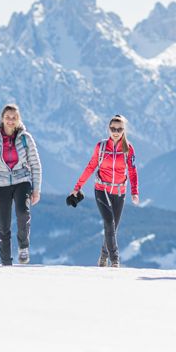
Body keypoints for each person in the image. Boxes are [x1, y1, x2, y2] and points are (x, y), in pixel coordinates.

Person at [69, 114, 139, 267]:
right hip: (102, 189)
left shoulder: (128, 148)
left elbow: (132, 171)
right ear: (108, 129)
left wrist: (134, 192)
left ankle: (103, 255)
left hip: (120, 191)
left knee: (112, 227)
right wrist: (77, 186)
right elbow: (91, 166)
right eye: (113, 128)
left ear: (123, 130)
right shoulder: (101, 147)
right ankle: (115, 260)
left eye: (119, 129)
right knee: (109, 222)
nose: (115, 132)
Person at [0, 103, 42, 266]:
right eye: (7, 117)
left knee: (23, 213)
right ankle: (6, 263)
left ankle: (23, 246)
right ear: (2, 119)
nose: (10, 120)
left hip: (22, 180)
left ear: (18, 120)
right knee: (3, 225)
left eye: (14, 117)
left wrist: (36, 190)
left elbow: (36, 165)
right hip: (0, 184)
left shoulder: (25, 139)